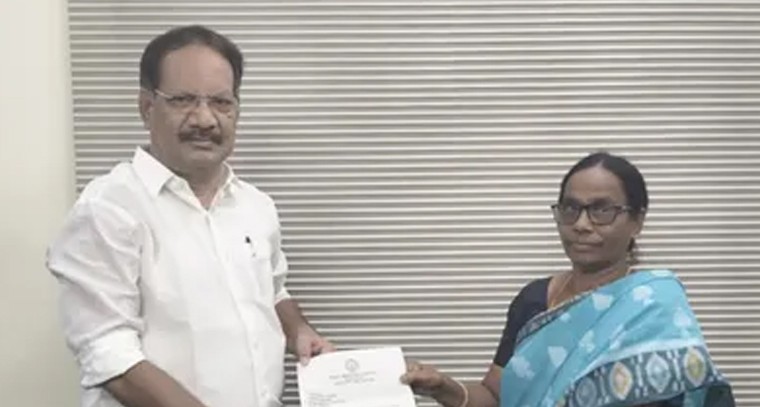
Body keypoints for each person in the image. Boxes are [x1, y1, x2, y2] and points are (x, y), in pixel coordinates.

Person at [46, 25, 334, 407]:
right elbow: (108, 352)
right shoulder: (108, 208)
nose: (205, 119)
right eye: (183, 100)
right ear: (146, 108)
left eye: (221, 102)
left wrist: (299, 330)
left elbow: (273, 289)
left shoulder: (256, 206)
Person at [400, 152, 734, 407]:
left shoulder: (655, 308)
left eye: (602, 210)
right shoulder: (534, 300)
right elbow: (497, 397)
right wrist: (444, 387)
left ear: (637, 221)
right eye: (570, 209)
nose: (582, 225)